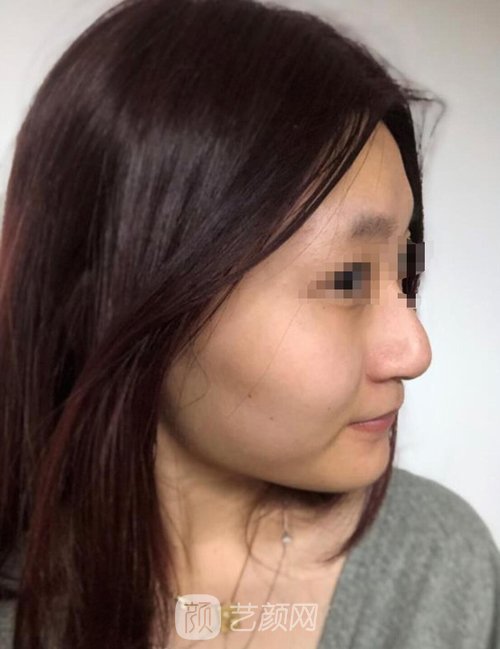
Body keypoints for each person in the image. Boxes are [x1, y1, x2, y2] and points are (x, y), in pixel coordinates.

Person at [0, 0, 498, 648]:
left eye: (405, 271)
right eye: (347, 279)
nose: (413, 350)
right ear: (121, 298)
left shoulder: (435, 573)